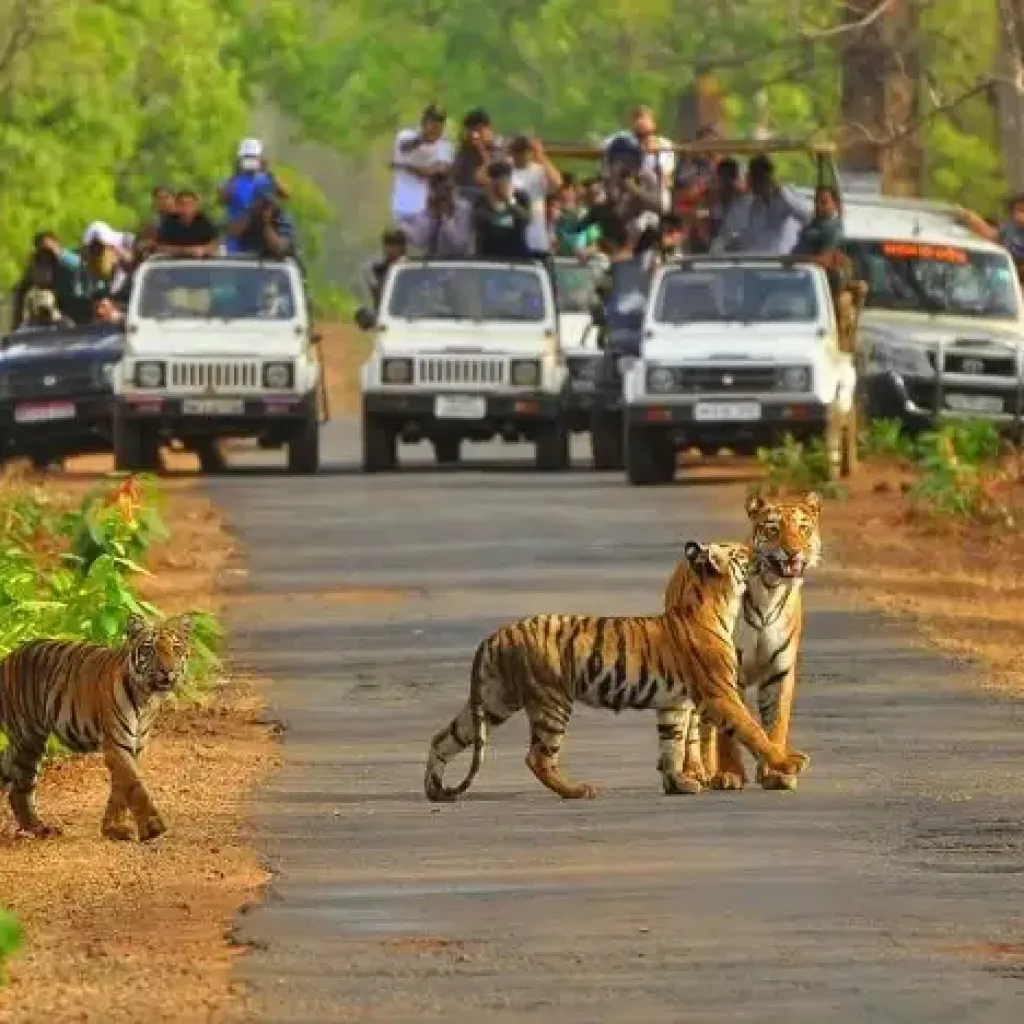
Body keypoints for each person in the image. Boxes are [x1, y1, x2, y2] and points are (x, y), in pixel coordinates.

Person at [712, 153, 811, 254]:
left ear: (764, 178)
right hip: (758, 257)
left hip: (781, 258)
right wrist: (729, 244)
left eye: (752, 178)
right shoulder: (756, 204)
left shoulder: (784, 197)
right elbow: (751, 235)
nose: (749, 182)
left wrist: (781, 193)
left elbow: (806, 216)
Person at [218, 139, 290, 253]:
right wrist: (236, 172)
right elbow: (221, 198)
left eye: (253, 157)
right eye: (246, 158)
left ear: (260, 158)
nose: (250, 162)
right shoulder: (231, 182)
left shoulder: (267, 179)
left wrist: (268, 171)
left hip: (261, 238)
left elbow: (286, 195)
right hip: (236, 239)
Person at [390, 104, 453, 233]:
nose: (436, 128)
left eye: (439, 124)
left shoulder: (445, 146)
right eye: (432, 123)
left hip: (427, 210)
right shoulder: (405, 135)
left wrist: (404, 167)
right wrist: (423, 139)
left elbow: (435, 172)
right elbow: (404, 147)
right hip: (401, 205)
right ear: (423, 122)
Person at [604, 105, 675, 214]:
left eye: (645, 118)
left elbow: (664, 176)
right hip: (629, 197)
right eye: (637, 119)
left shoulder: (664, 144)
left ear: (653, 123)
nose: (641, 122)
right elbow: (607, 146)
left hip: (654, 195)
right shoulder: (626, 143)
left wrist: (650, 153)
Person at [11, 232, 83, 328]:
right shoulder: (35, 267)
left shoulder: (72, 266)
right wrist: (16, 326)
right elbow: (20, 291)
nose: (45, 261)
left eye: (49, 256)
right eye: (41, 257)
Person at [507, 135, 562, 261]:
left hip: (536, 238)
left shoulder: (539, 171)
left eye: (525, 150)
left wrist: (541, 155)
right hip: (511, 236)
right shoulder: (507, 170)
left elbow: (557, 183)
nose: (521, 154)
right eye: (517, 150)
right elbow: (481, 179)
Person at [403, 171, 475, 257]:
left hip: (458, 260)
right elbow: (418, 241)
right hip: (432, 259)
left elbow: (459, 244)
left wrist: (446, 217)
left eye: (446, 190)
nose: (441, 194)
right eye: (436, 189)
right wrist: (432, 218)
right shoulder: (425, 207)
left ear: (451, 190)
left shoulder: (464, 208)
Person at [472, 160, 531, 259]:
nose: (501, 185)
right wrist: (492, 202)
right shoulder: (482, 198)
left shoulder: (521, 196)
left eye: (505, 180)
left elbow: (526, 219)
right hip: (489, 253)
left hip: (516, 253)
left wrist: (510, 200)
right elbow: (478, 222)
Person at [956, 195, 1024, 279]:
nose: (1021, 216)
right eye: (1019, 210)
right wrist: (972, 219)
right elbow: (993, 236)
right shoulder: (1010, 227)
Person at [227, 185, 296, 259]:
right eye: (262, 202)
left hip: (278, 261)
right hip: (250, 260)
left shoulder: (283, 218)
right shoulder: (250, 215)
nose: (264, 207)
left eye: (268, 204)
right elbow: (231, 233)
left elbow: (280, 248)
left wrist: (267, 223)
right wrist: (249, 213)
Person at [451, 108, 504, 203]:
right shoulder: (464, 151)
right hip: (464, 197)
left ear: (488, 129)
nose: (475, 135)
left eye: (479, 131)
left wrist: (481, 150)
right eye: (471, 131)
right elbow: (455, 177)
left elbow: (493, 179)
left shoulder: (497, 151)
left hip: (489, 199)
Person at [154, 190, 221, 258]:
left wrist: (204, 249)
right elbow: (160, 246)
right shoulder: (168, 223)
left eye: (190, 204)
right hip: (173, 261)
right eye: (182, 204)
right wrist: (186, 251)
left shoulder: (205, 221)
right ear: (176, 206)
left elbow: (215, 243)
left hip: (201, 261)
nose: (186, 208)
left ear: (196, 206)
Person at [362, 228, 407, 312]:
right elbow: (378, 293)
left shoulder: (409, 270)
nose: (390, 249)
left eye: (394, 246)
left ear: (402, 248)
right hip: (384, 315)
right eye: (387, 245)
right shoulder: (377, 269)